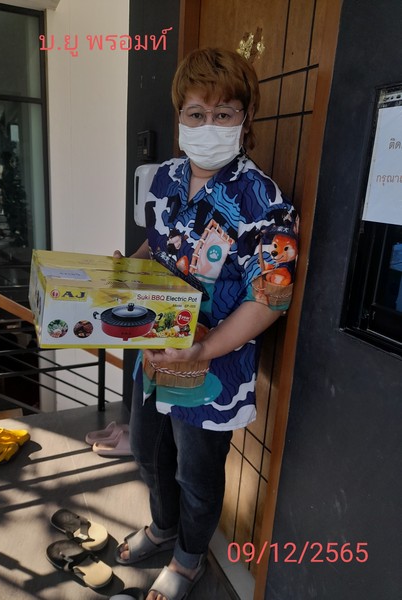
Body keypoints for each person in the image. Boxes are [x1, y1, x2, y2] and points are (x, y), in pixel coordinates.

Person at [113, 47, 299, 600]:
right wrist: (126, 270)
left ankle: (189, 559)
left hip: (212, 366)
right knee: (146, 451)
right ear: (180, 117)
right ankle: (162, 528)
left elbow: (272, 298)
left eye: (223, 113)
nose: (208, 125)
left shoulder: (265, 201)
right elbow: (158, 246)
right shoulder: (166, 178)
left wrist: (203, 349)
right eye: (196, 113)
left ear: (245, 118)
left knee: (195, 474)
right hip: (154, 350)